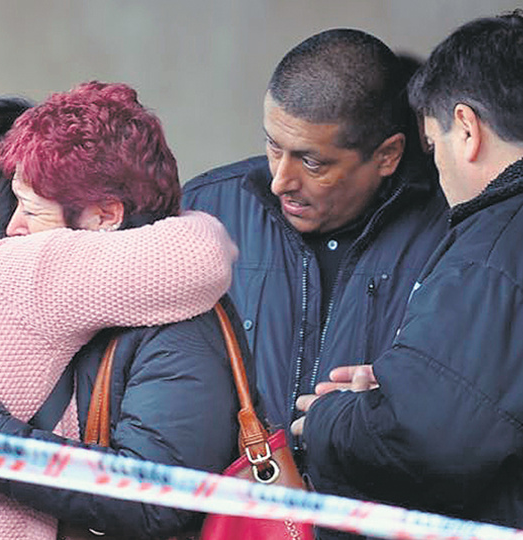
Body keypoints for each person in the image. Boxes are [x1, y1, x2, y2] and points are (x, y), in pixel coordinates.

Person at [296, 11, 523, 539]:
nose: (438, 168)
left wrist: (331, 420)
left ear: (467, 129)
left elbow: (429, 441)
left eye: (433, 143)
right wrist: (404, 387)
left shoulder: (509, 240)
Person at [0, 82, 245, 540]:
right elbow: (207, 252)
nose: (12, 230)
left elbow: (155, 496)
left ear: (106, 215)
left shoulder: (170, 320)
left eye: (31, 211)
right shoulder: (56, 279)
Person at [181, 29, 448, 446]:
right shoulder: (205, 210)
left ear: (387, 155)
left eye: (311, 162)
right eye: (273, 147)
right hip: (224, 505)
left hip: (369, 502)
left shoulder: (450, 234)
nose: (280, 182)